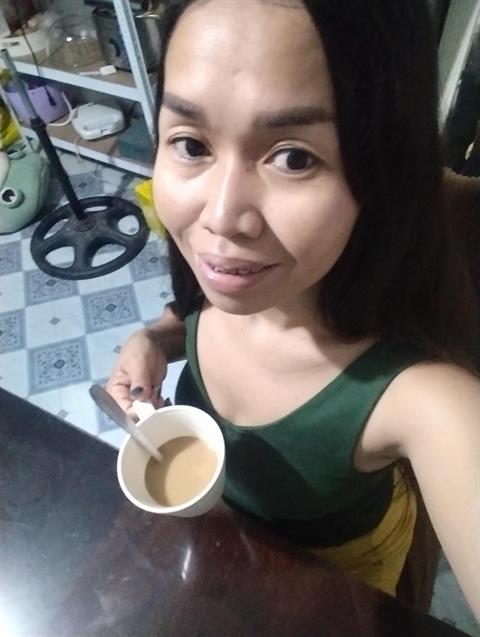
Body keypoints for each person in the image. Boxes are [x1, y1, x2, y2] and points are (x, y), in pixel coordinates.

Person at [107, 0, 480, 619]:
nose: (220, 218)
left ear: (381, 172)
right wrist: (157, 338)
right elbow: (193, 315)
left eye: (294, 157)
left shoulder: (420, 398)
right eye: (191, 143)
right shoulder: (230, 277)